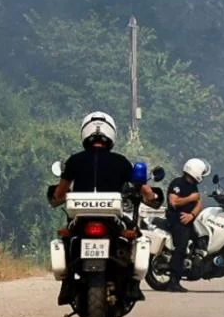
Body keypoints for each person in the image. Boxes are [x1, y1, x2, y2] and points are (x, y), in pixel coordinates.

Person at [50, 111, 157, 305]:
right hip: (113, 220)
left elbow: (60, 192)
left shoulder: (74, 160)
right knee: (135, 236)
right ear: (111, 133)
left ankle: (66, 285)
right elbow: (144, 189)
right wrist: (152, 197)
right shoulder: (121, 161)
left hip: (79, 219)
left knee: (67, 238)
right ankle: (134, 284)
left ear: (84, 132)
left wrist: (58, 197)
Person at [165, 157, 210, 293]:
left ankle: (194, 268)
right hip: (176, 221)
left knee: (201, 241)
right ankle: (173, 281)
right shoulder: (177, 183)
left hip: (189, 221)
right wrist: (190, 198)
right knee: (181, 247)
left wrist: (192, 215)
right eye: (202, 173)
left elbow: (199, 204)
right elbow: (174, 201)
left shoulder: (193, 186)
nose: (202, 176)